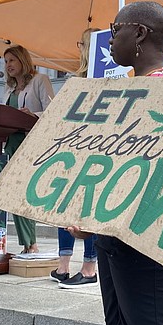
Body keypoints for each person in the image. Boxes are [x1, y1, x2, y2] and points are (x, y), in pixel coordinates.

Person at [68, 1, 163, 325]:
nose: (109, 40)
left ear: (139, 34)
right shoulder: (123, 91)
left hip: (144, 237)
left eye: (115, 30)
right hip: (111, 236)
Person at [52, 29, 99, 288]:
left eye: (81, 43)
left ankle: (89, 268)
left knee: (88, 210)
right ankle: (63, 265)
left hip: (93, 150)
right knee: (65, 208)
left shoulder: (100, 78)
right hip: (73, 149)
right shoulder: (75, 80)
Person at [2, 44, 54, 253]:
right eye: (5, 62)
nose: (8, 65)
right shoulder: (8, 89)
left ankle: (31, 244)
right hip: (10, 143)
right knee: (14, 195)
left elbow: (53, 110)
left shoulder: (40, 81)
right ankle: (27, 244)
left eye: (12, 60)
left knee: (23, 193)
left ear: (23, 60)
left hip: (29, 144)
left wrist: (32, 115)